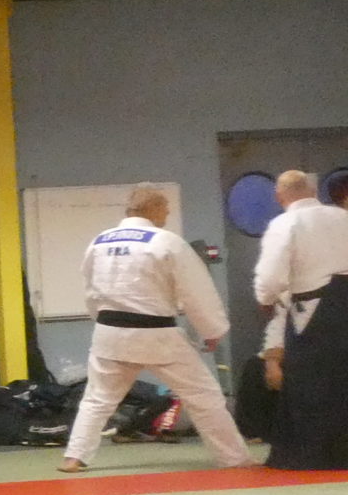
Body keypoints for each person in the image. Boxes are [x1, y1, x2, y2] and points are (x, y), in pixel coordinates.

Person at [60, 182, 249, 473]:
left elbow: (91, 289)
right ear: (154, 208)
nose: (167, 214)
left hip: (110, 332)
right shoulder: (166, 242)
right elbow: (196, 291)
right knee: (204, 395)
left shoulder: (100, 241)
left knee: (97, 398)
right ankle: (234, 458)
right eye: (166, 209)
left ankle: (74, 457)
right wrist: (212, 331)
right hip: (157, 335)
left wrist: (102, 320)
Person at [255, 169, 348, 469]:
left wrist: (265, 299)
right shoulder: (343, 217)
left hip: (316, 309)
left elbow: (270, 278)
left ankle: (312, 456)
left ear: (279, 196)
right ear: (314, 192)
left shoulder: (285, 223)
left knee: (311, 385)